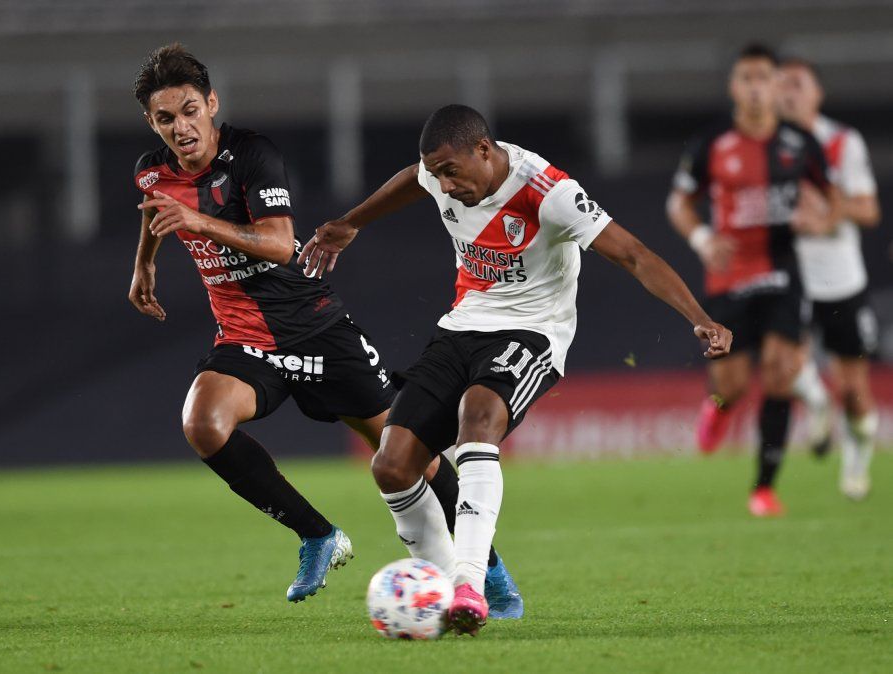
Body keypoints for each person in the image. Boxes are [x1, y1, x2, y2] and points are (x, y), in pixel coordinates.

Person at [301, 104, 731, 635]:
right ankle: (443, 590)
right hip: (461, 327)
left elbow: (634, 255)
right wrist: (350, 222)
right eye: (436, 173)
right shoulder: (438, 173)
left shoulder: (549, 192)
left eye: (451, 171)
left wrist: (700, 319)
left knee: (477, 415)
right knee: (391, 465)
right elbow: (411, 181)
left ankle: (469, 585)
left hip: (532, 333)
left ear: (485, 150)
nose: (443, 184)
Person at [127, 44, 522, 613]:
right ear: (152, 122)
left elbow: (282, 244)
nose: (181, 127)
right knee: (203, 423)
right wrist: (145, 263)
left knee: (412, 455)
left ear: (211, 103)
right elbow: (154, 204)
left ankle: (491, 572)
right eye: (165, 118)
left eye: (190, 110)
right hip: (244, 337)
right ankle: (317, 534)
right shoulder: (151, 170)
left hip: (316, 330)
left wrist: (197, 221)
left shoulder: (253, 156)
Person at [667, 44, 841, 517]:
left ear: (776, 85)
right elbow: (679, 204)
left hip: (782, 271)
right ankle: (719, 405)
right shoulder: (711, 145)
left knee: (782, 371)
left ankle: (763, 488)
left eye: (764, 77)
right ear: (734, 87)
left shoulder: (800, 144)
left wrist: (820, 217)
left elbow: (833, 200)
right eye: (747, 78)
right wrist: (703, 238)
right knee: (734, 383)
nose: (757, 87)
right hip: (729, 276)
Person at [779, 56, 882, 500]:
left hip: (840, 279)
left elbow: (869, 210)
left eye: (798, 84)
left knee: (855, 392)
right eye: (782, 85)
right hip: (791, 276)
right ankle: (816, 403)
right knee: (782, 363)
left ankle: (857, 457)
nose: (789, 93)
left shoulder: (842, 142)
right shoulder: (768, 147)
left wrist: (829, 215)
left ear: (818, 93)